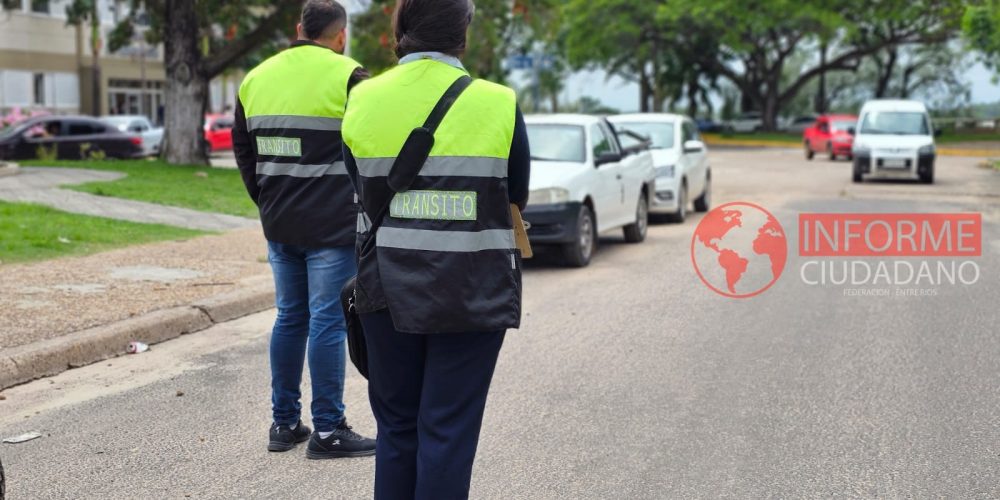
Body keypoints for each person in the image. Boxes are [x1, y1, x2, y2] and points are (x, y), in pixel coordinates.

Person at [341, 0, 530, 497]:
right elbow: (515, 196)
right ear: (462, 33)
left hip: (385, 290)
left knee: (397, 429)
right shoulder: (499, 102)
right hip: (472, 293)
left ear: (400, 29)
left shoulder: (362, 97)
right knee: (447, 431)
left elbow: (359, 187)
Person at [232, 0, 376, 459]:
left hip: (279, 222)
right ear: (340, 36)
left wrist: (268, 202)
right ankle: (329, 430)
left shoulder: (255, 79)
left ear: (299, 29)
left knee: (290, 317)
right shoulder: (350, 76)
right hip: (332, 225)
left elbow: (244, 152)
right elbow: (373, 148)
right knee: (327, 321)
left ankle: (285, 423)